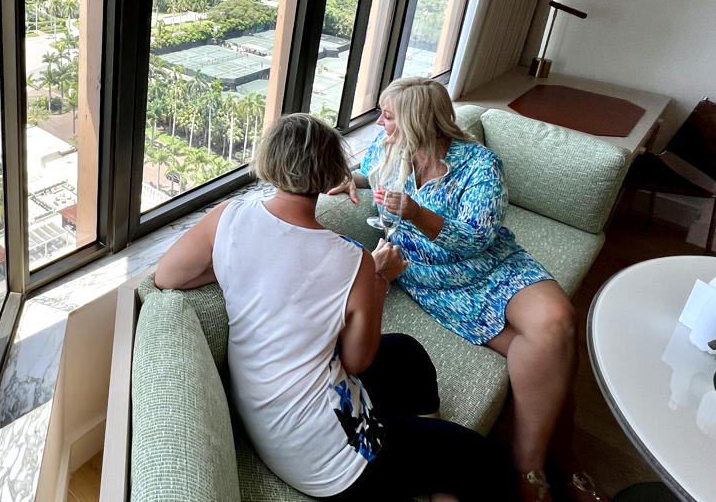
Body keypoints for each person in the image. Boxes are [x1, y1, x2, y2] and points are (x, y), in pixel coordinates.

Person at [157, 112, 515, 501]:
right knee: (487, 461)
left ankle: (426, 469)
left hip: (265, 414)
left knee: (406, 353)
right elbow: (358, 360)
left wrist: (236, 266)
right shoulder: (351, 259)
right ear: (331, 172)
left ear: (268, 161)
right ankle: (420, 465)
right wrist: (379, 279)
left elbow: (168, 276)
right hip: (328, 456)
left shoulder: (230, 216)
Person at [327, 77, 599, 502]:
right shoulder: (387, 149)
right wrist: (354, 179)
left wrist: (417, 213)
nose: (380, 121)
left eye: (389, 114)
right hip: (436, 280)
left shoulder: (480, 165)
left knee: (559, 320)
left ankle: (538, 464)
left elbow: (478, 237)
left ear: (419, 121)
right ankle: (545, 466)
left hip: (492, 264)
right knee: (553, 350)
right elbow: (372, 172)